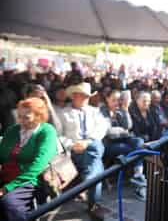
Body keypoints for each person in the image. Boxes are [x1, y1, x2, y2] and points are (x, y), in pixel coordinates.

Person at [0, 98, 57, 221]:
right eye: (19, 116)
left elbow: (38, 165)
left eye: (26, 117)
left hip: (30, 179)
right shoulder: (13, 130)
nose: (21, 121)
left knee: (9, 203)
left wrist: (6, 188)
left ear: (39, 116)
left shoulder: (47, 131)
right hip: (6, 175)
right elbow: (1, 155)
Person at [59, 82, 110, 220]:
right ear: (74, 96)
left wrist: (88, 142)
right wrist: (72, 145)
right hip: (75, 150)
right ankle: (93, 203)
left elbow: (102, 128)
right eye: (83, 96)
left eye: (88, 96)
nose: (86, 99)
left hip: (92, 145)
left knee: (95, 147)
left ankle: (87, 182)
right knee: (96, 164)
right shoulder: (63, 113)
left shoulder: (94, 111)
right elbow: (58, 135)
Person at [100, 90, 147, 201]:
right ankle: (139, 180)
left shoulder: (120, 111)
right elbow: (108, 132)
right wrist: (123, 131)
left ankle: (137, 175)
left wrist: (125, 110)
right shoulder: (102, 111)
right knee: (134, 150)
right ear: (107, 99)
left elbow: (128, 126)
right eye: (114, 100)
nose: (116, 103)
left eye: (118, 100)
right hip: (109, 144)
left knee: (139, 142)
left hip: (124, 140)